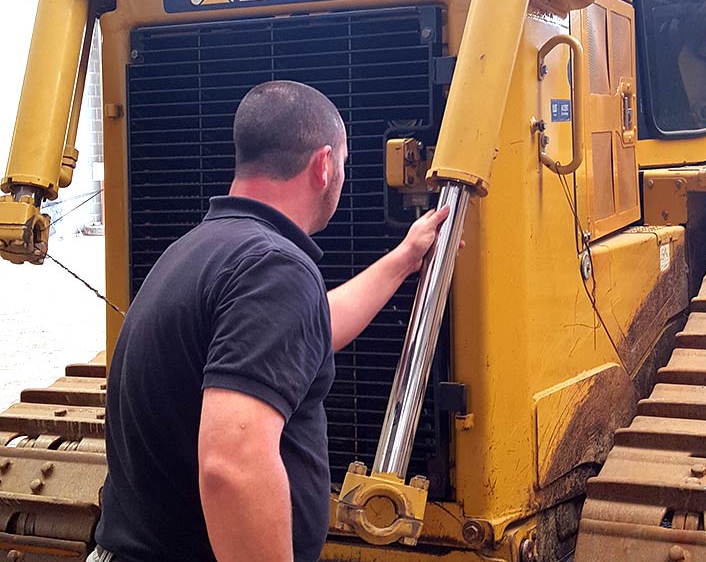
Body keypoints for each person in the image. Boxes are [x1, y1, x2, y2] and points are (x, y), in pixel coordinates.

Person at [89, 80, 449, 562]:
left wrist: (404, 258)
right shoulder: (273, 270)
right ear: (323, 166)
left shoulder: (202, 250)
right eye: (343, 163)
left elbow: (312, 330)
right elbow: (231, 465)